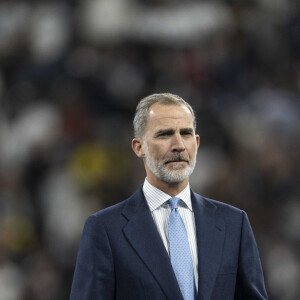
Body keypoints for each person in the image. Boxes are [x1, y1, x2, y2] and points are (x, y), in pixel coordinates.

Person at [70, 93, 268, 300]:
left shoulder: (234, 224)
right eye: (164, 134)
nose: (179, 145)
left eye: (186, 133)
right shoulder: (105, 229)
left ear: (197, 143)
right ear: (139, 147)